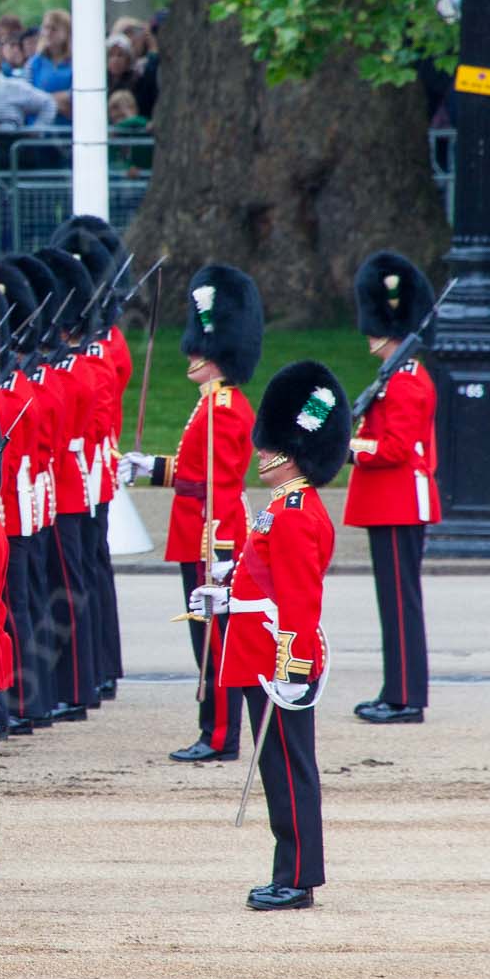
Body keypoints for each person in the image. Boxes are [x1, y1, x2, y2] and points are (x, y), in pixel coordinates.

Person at [199, 360, 347, 911]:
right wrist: (223, 598)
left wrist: (294, 665)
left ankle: (298, 876)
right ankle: (292, 870)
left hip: (274, 657)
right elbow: (260, 580)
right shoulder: (283, 507)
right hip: (259, 648)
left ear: (293, 453)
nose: (261, 454)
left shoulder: (294, 513)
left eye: (271, 448)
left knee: (288, 769)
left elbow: (299, 600)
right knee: (279, 769)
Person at [119, 264, 263, 763]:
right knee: (207, 636)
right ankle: (213, 729)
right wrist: (150, 468)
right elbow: (192, 469)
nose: (193, 354)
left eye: (202, 349)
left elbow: (216, 485)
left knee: (215, 642)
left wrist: (219, 552)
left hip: (212, 535)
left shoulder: (223, 408)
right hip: (199, 529)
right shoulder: (210, 404)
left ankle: (221, 735)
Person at [344, 251, 440, 725]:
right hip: (390, 502)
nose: (369, 335)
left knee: (400, 604)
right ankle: (396, 689)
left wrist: (351, 449)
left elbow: (396, 448)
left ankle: (405, 698)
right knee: (394, 603)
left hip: (399, 501)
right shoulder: (394, 378)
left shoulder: (406, 383)